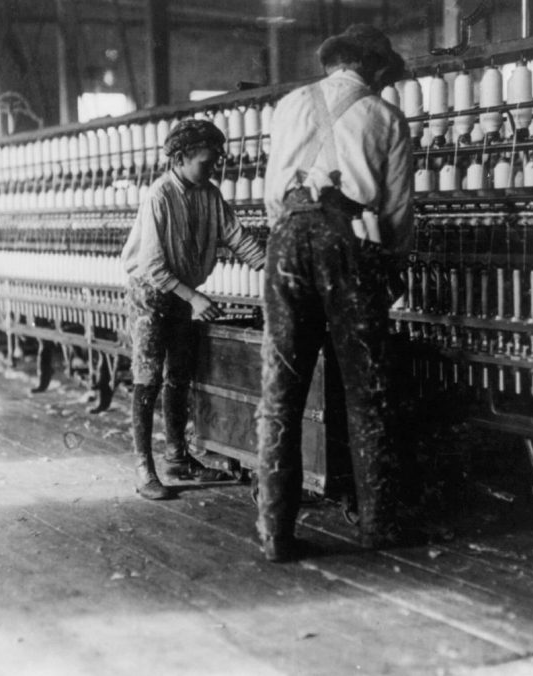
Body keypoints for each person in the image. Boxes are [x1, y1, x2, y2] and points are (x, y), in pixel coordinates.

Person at [256, 24, 413, 561]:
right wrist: (385, 269)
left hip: (285, 239)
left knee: (281, 391)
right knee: (367, 392)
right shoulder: (386, 116)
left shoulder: (289, 104)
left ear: (332, 64)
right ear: (373, 69)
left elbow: (271, 191)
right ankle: (378, 527)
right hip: (344, 244)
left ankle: (274, 533)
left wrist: (292, 236)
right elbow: (394, 216)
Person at [122, 119, 267, 500]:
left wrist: (273, 270)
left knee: (180, 376)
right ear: (181, 158)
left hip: (184, 294)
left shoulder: (209, 193)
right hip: (151, 295)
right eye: (207, 162)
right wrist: (194, 298)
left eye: (216, 162)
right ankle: (144, 468)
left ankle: (178, 458)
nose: (213, 169)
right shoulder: (159, 196)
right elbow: (153, 267)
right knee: (148, 378)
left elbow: (237, 237)